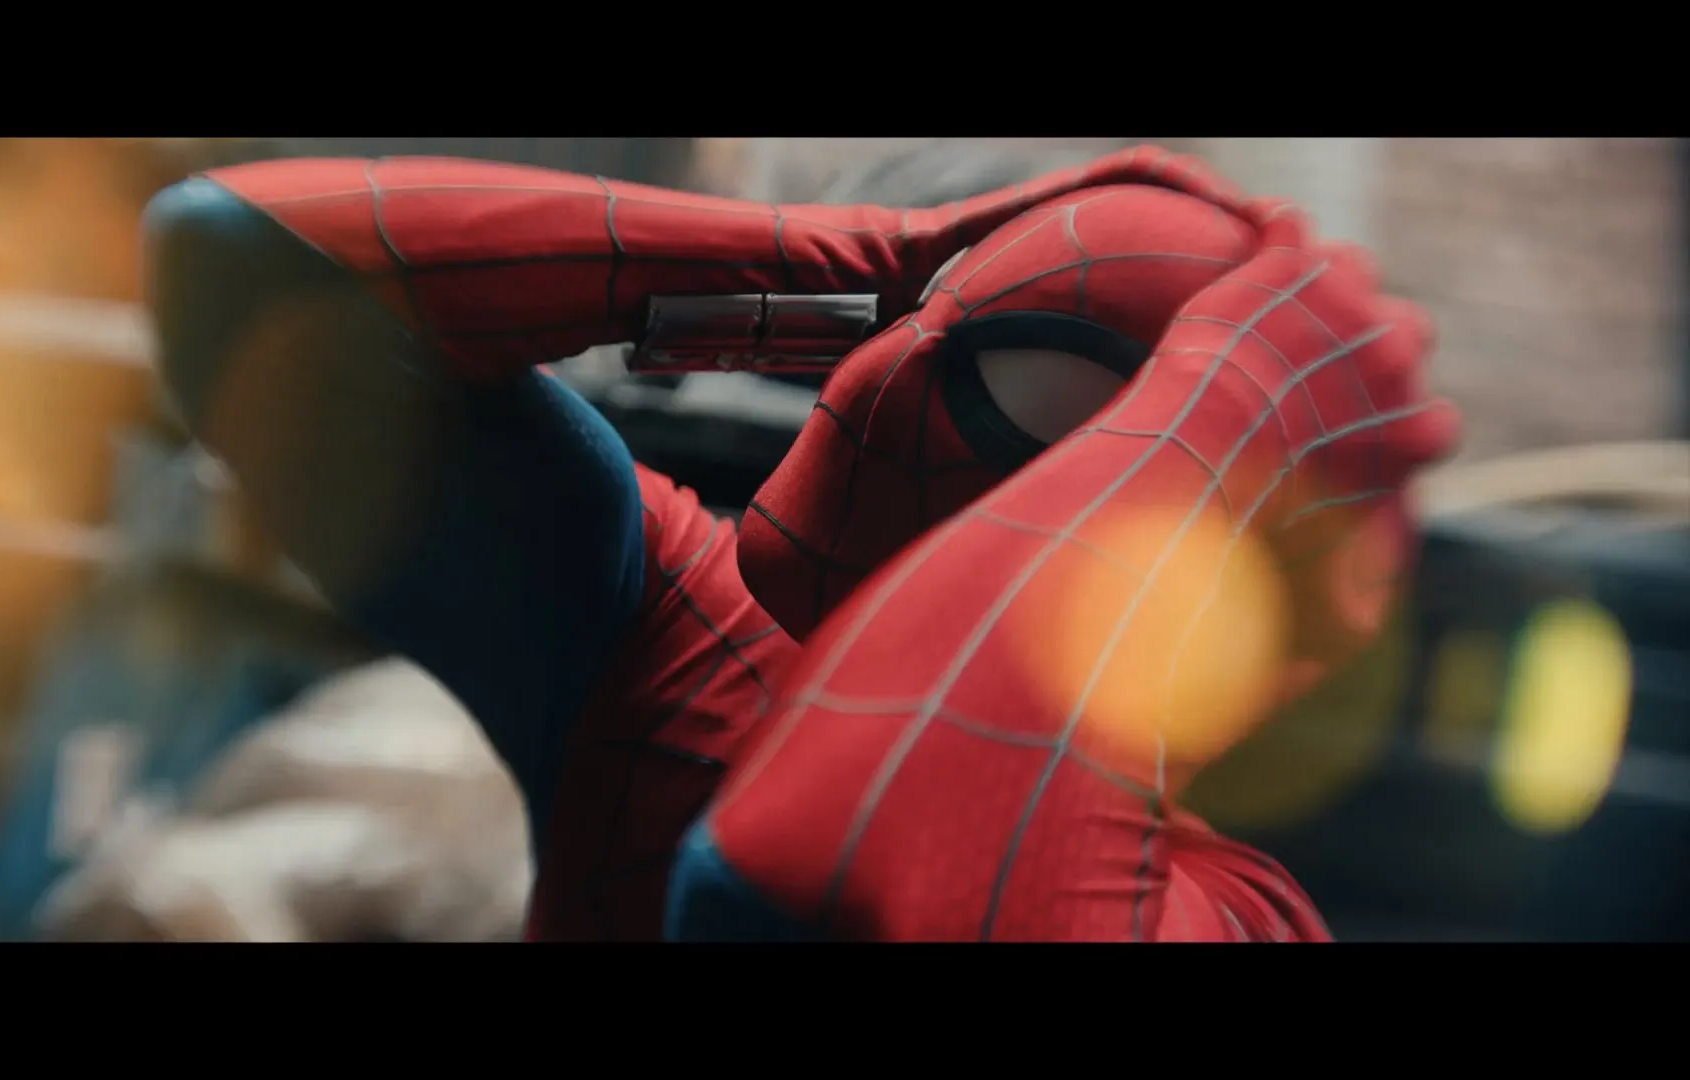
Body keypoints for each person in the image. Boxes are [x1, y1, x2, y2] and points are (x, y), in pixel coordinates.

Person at [142, 145, 1459, 941]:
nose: (892, 379)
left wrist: (1230, 396)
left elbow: (822, 855)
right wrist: (856, 265)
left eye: (1036, 412)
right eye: (921, 326)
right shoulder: (672, 624)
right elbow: (238, 259)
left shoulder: (1225, 912)